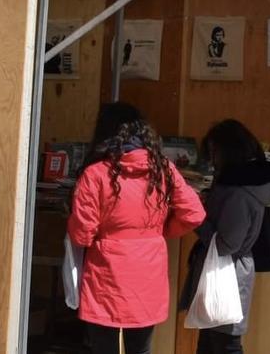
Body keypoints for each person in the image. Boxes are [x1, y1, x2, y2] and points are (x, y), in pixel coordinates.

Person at [69, 104, 206, 354]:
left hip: (106, 275)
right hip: (148, 272)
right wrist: (161, 232)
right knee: (141, 349)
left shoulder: (95, 173)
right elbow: (194, 214)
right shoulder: (162, 168)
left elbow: (81, 233)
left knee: (103, 348)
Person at [179, 119, 270, 354]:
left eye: (214, 152)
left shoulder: (238, 193)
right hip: (230, 270)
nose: (212, 160)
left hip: (227, 273)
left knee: (224, 343)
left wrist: (197, 216)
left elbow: (226, 244)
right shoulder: (243, 183)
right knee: (212, 340)